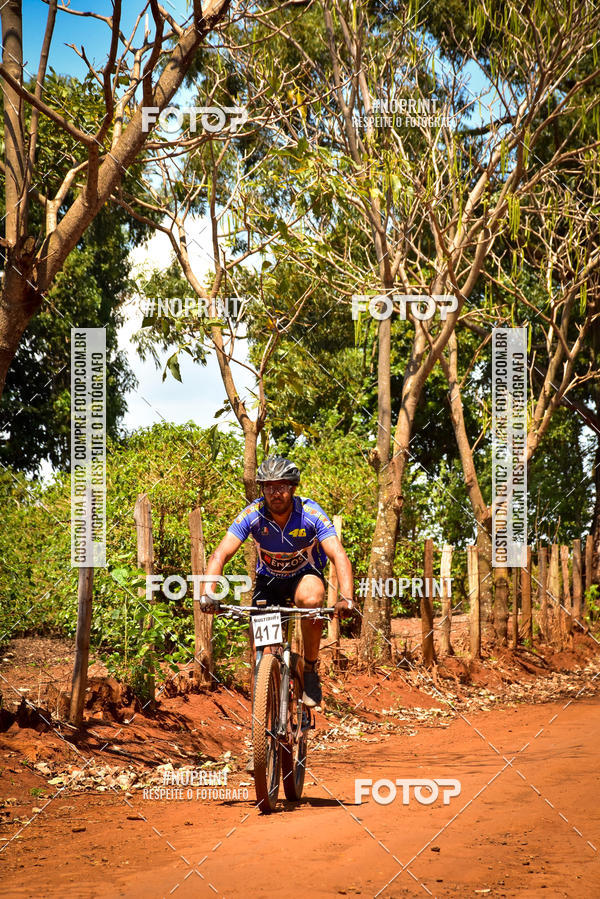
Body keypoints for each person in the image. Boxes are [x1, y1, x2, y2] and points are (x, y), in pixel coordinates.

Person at [199, 454, 354, 710]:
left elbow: (338, 555)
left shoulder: (310, 513)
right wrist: (208, 593)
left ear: (292, 488)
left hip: (304, 577)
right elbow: (220, 554)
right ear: (262, 490)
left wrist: (346, 598)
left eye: (281, 486)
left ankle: (310, 669)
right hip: (269, 583)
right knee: (264, 654)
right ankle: (268, 710)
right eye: (269, 487)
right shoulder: (253, 514)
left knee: (312, 601)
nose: (275, 493)